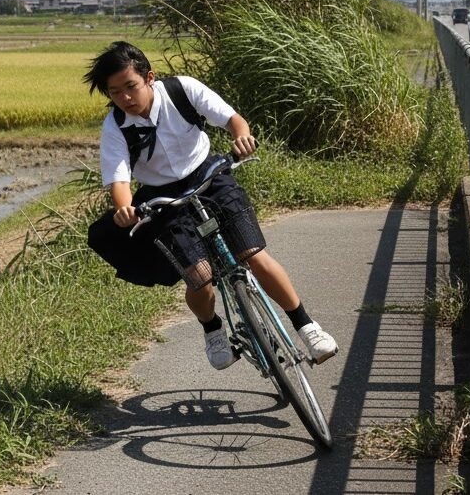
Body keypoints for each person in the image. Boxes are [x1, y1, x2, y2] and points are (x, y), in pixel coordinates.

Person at [86, 41, 338, 370]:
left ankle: (307, 326)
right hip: (164, 199)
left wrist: (241, 137)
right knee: (199, 276)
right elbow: (118, 180)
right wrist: (124, 209)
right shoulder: (115, 125)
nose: (125, 98)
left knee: (253, 255)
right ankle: (213, 329)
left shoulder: (182, 90)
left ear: (149, 78)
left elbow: (233, 119)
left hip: (211, 176)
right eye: (115, 92)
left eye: (130, 87)